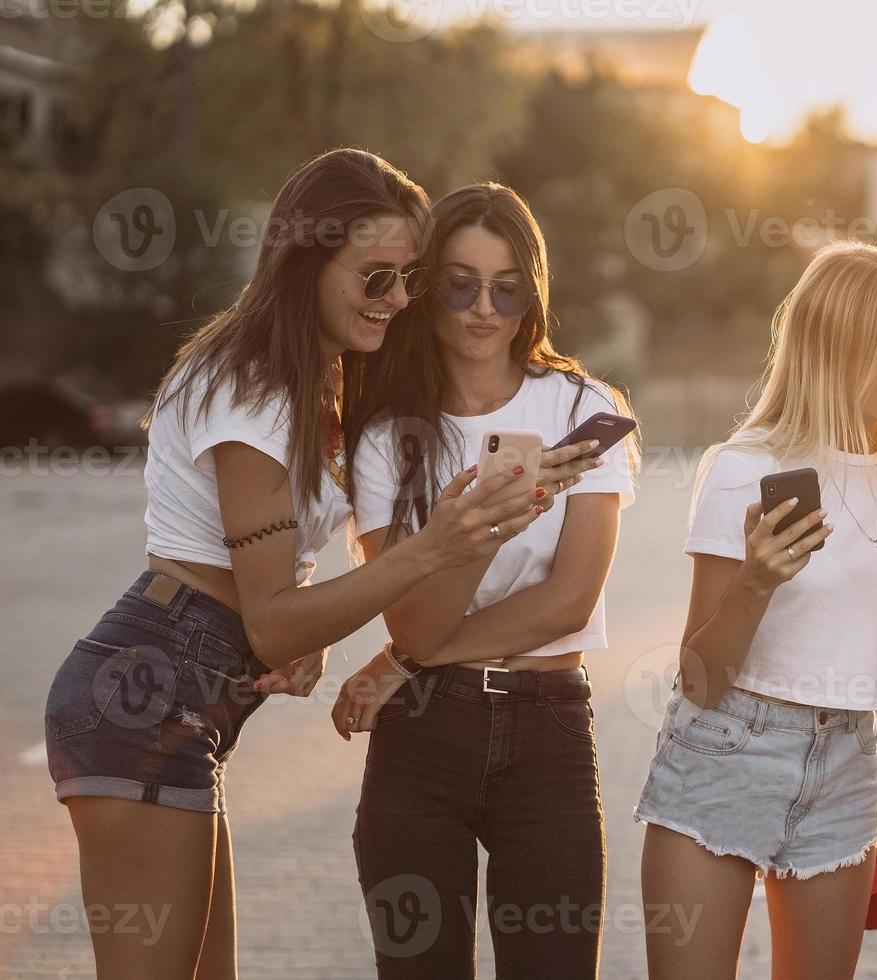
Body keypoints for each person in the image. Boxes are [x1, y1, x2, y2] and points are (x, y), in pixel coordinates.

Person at [42, 149, 535, 980]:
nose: (400, 300)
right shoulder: (254, 386)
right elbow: (266, 623)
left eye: (410, 277)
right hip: (144, 701)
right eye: (375, 278)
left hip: (186, 702)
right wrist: (435, 547)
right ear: (306, 263)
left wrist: (307, 616)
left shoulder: (307, 378)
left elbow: (265, 596)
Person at [333, 181, 637, 978]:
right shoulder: (386, 433)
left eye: (507, 289)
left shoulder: (580, 406)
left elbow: (568, 601)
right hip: (423, 735)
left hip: (549, 732)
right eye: (461, 284)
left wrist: (400, 661)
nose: (483, 309)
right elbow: (419, 625)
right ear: (427, 286)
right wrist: (489, 518)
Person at [635, 241, 877, 980]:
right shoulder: (746, 467)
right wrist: (755, 585)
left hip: (847, 760)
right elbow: (700, 678)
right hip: (725, 749)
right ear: (836, 354)